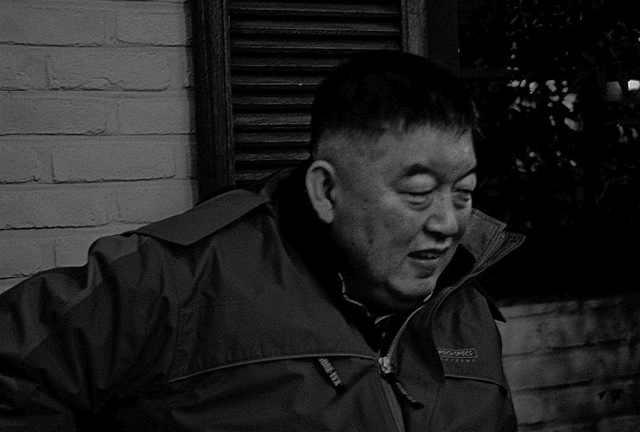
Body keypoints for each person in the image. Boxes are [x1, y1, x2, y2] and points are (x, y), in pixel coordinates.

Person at [0, 51, 524, 431]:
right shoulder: (180, 281)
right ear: (326, 191)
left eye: (464, 193)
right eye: (418, 193)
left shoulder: (466, 308)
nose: (448, 223)